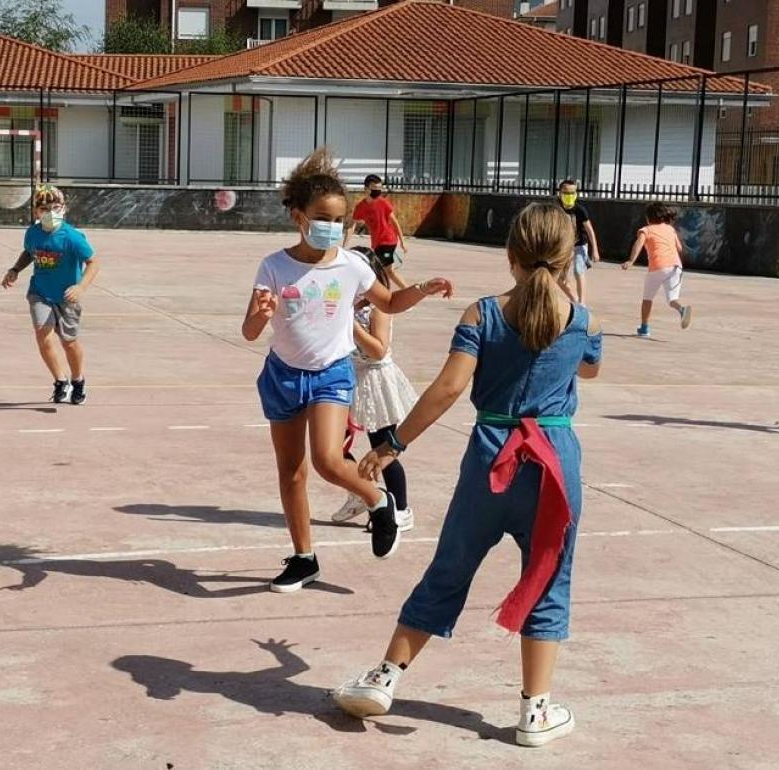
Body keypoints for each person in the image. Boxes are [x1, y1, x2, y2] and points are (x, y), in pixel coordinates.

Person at [332, 202, 603, 748]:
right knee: (548, 575)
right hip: (554, 461)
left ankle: (386, 677)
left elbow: (449, 388)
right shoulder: (583, 318)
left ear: (511, 254)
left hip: (490, 456)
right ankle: (536, 711)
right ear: (566, 252)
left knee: (450, 566)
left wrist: (392, 443)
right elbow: (590, 369)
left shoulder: (482, 314)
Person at [242, 148, 453, 593]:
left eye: (339, 220)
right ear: (298, 216)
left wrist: (421, 289)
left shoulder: (352, 265)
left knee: (327, 459)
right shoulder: (274, 266)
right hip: (283, 375)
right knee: (291, 472)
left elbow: (390, 303)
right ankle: (304, 558)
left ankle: (380, 501)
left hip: (330, 374)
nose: (332, 227)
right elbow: (249, 330)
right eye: (323, 217)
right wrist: (263, 313)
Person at [332, 246, 418, 534]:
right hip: (348, 377)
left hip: (376, 381)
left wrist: (352, 325)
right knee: (333, 446)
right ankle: (359, 490)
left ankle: (402, 508)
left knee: (382, 446)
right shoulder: (346, 302)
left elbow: (378, 351)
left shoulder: (378, 307)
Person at [2, 185, 99, 405]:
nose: (50, 213)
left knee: (69, 342)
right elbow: (29, 252)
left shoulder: (72, 237)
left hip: (66, 297)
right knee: (42, 334)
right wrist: (15, 269)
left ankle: (78, 380)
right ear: (36, 212)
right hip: (40, 293)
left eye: (55, 208)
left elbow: (93, 262)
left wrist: (81, 287)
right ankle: (60, 380)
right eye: (44, 209)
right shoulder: (33, 233)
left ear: (63, 209)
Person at [621, 202, 693, 337]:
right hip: (675, 267)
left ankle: (644, 328)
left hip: (657, 267)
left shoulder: (646, 230)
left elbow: (639, 244)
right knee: (672, 300)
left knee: (647, 298)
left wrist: (631, 261)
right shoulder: (670, 229)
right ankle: (682, 310)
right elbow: (680, 248)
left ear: (648, 218)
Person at [346, 175, 409, 290]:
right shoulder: (360, 207)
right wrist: (344, 246)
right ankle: (408, 292)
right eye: (374, 188)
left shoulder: (383, 203)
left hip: (388, 241)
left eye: (379, 188)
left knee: (377, 270)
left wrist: (402, 241)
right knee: (389, 272)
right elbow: (351, 227)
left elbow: (395, 222)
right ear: (366, 189)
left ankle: (383, 297)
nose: (377, 191)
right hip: (377, 243)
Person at [555, 180, 600, 306]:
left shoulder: (580, 210)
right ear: (560, 193)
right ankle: (574, 299)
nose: (569, 195)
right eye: (566, 192)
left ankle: (582, 302)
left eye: (572, 192)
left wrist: (595, 250)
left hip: (579, 244)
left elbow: (590, 230)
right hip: (564, 246)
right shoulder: (556, 209)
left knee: (578, 270)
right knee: (558, 276)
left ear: (576, 194)